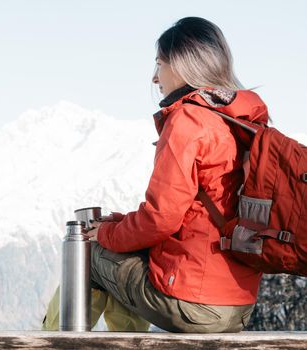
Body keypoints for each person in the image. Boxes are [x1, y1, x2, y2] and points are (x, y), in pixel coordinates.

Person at [43, 16, 266, 333]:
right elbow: (190, 213)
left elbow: (161, 218)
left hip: (195, 306)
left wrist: (104, 235)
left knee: (89, 255)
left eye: (160, 64)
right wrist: (120, 226)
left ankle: (51, 341)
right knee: (123, 256)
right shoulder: (241, 123)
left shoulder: (189, 121)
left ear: (182, 65)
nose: (154, 77)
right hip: (238, 305)